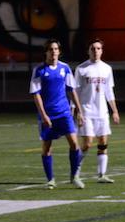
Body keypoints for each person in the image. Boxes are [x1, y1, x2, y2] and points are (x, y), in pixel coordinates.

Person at [30, 39, 85, 189]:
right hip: (48, 115)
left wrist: (79, 111)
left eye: (55, 49)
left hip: (64, 113)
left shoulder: (65, 68)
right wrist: (44, 116)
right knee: (47, 148)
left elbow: (72, 90)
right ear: (46, 52)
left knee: (74, 144)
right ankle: (51, 179)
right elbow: (36, 95)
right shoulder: (39, 70)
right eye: (50, 49)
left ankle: (74, 176)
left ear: (59, 52)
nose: (53, 52)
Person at [74, 39, 120, 183]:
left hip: (102, 112)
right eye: (93, 48)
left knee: (103, 142)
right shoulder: (81, 69)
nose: (96, 51)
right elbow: (75, 92)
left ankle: (102, 175)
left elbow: (109, 92)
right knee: (87, 143)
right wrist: (75, 111)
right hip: (86, 111)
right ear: (88, 51)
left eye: (98, 48)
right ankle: (75, 172)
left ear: (102, 51)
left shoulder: (107, 68)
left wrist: (115, 111)